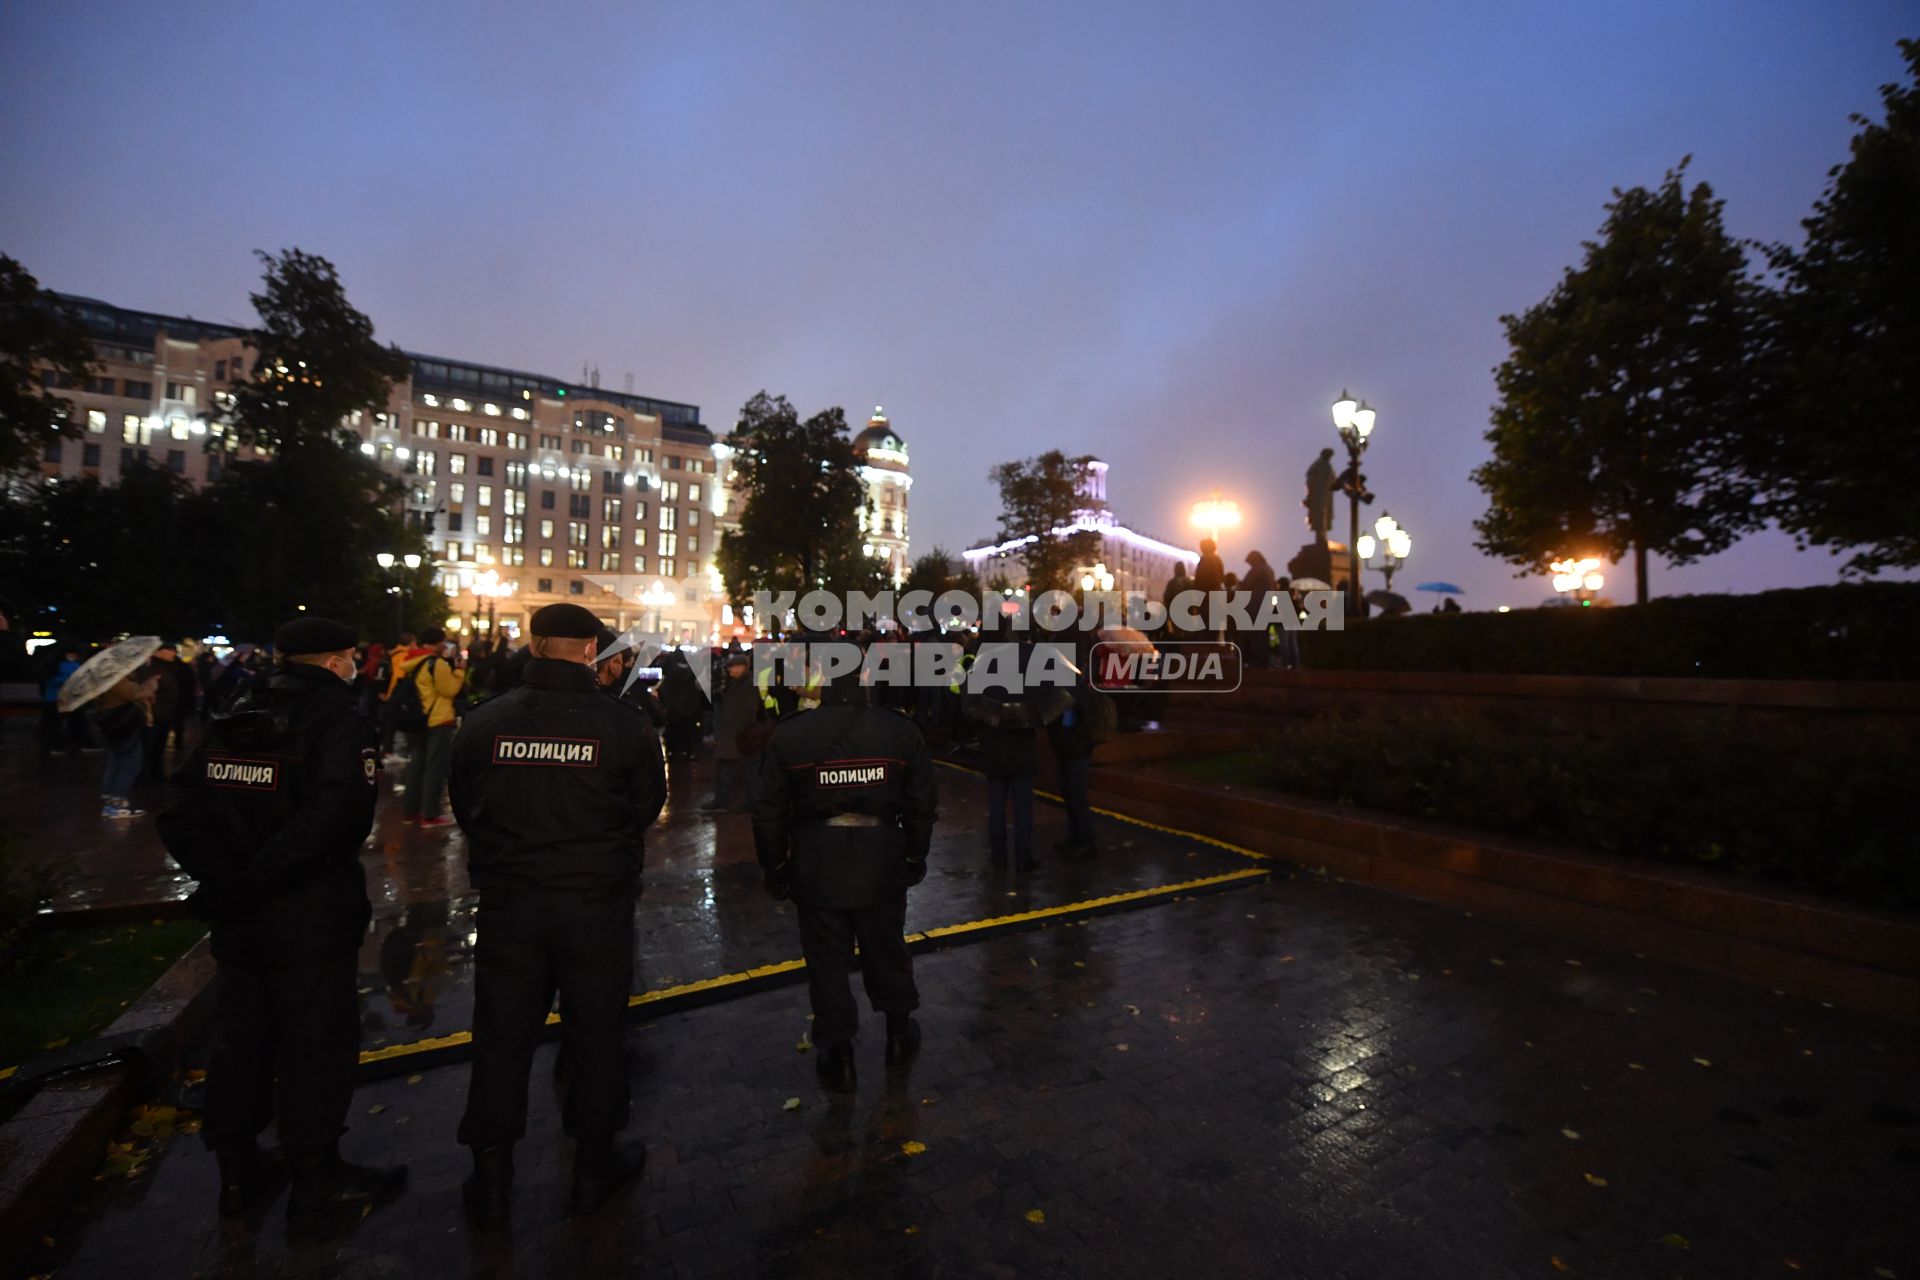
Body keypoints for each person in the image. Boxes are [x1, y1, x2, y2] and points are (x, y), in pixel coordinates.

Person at [154, 616, 406, 1220]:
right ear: (337, 660)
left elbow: (180, 807)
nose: (355, 665)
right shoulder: (340, 722)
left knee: (241, 1041)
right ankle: (317, 1183)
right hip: (307, 915)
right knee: (314, 1044)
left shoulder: (234, 710)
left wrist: (226, 881)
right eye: (350, 657)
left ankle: (237, 1175)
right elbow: (333, 821)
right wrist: (256, 881)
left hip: (242, 917)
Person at [448, 603, 666, 1221]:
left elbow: (468, 805)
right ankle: (593, 1171)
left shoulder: (485, 722)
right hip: (595, 905)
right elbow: (645, 805)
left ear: (535, 644)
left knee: (501, 1038)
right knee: (596, 1035)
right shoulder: (624, 725)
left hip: (512, 903)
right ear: (593, 650)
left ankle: (490, 1181)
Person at [752, 663, 938, 1091]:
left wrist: (775, 866)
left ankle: (838, 1052)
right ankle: (897, 1031)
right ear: (866, 676)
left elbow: (768, 812)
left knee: (826, 962)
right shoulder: (897, 731)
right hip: (880, 860)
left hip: (818, 863)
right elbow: (921, 802)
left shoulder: (793, 734)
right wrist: (914, 854)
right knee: (886, 948)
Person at [965, 650, 1038, 871]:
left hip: (995, 752)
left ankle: (998, 856)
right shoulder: (1030, 682)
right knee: (1023, 809)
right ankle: (1023, 857)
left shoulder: (984, 681)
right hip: (1022, 754)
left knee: (996, 807)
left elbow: (972, 712)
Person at [396, 627, 465, 828]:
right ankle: (430, 815)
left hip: (419, 719)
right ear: (438, 642)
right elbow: (450, 689)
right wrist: (459, 671)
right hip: (438, 720)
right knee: (436, 767)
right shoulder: (437, 664)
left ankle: (410, 811)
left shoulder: (412, 661)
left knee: (416, 766)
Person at [94, 669, 157, 818]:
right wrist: (149, 687)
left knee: (115, 763)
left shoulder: (104, 679)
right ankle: (117, 804)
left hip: (114, 727)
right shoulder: (116, 679)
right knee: (131, 764)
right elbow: (134, 695)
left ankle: (110, 798)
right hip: (124, 726)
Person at [704, 652, 759, 812]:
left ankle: (729, 801)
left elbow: (749, 710)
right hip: (733, 733)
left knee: (738, 768)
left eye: (732, 667)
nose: (729, 671)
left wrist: (738, 728)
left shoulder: (747, 684)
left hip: (737, 733)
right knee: (740, 768)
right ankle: (739, 801)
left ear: (742, 667)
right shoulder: (738, 683)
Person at [1237, 551, 1277, 671]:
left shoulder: (1258, 569)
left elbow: (1245, 585)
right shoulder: (1269, 570)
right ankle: (1263, 661)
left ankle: (1256, 662)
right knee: (1263, 635)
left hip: (1256, 606)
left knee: (1256, 635)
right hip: (1266, 606)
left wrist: (1238, 583)